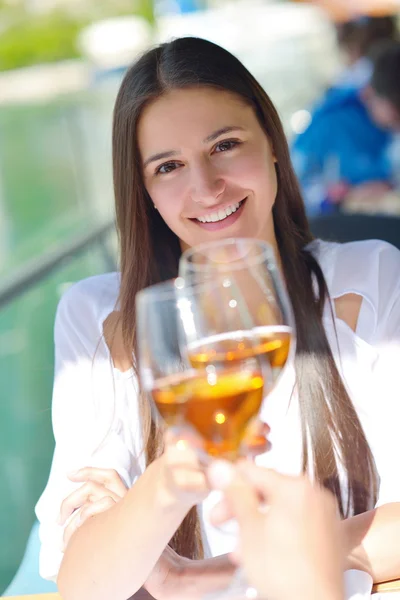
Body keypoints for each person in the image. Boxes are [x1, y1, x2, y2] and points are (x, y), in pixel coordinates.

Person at [35, 36, 400, 600]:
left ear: (274, 144)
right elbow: (84, 584)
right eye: (169, 166)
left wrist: (198, 576)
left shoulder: (372, 280)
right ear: (146, 191)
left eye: (225, 145)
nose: (206, 189)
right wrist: (171, 478)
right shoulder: (99, 316)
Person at [291, 35, 400, 217]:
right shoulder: (330, 123)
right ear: (368, 93)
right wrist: (339, 196)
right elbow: (297, 187)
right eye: (396, 117)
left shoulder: (387, 126)